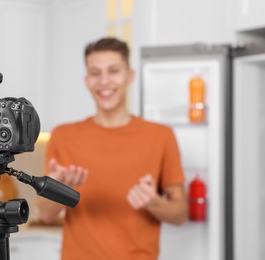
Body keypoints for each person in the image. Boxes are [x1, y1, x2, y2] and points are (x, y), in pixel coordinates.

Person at [37, 37, 187, 260]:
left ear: (130, 75)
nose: (104, 81)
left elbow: (181, 213)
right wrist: (58, 188)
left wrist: (154, 203)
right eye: (95, 73)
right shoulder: (63, 136)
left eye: (113, 71)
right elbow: (46, 215)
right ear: (86, 80)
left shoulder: (161, 136)